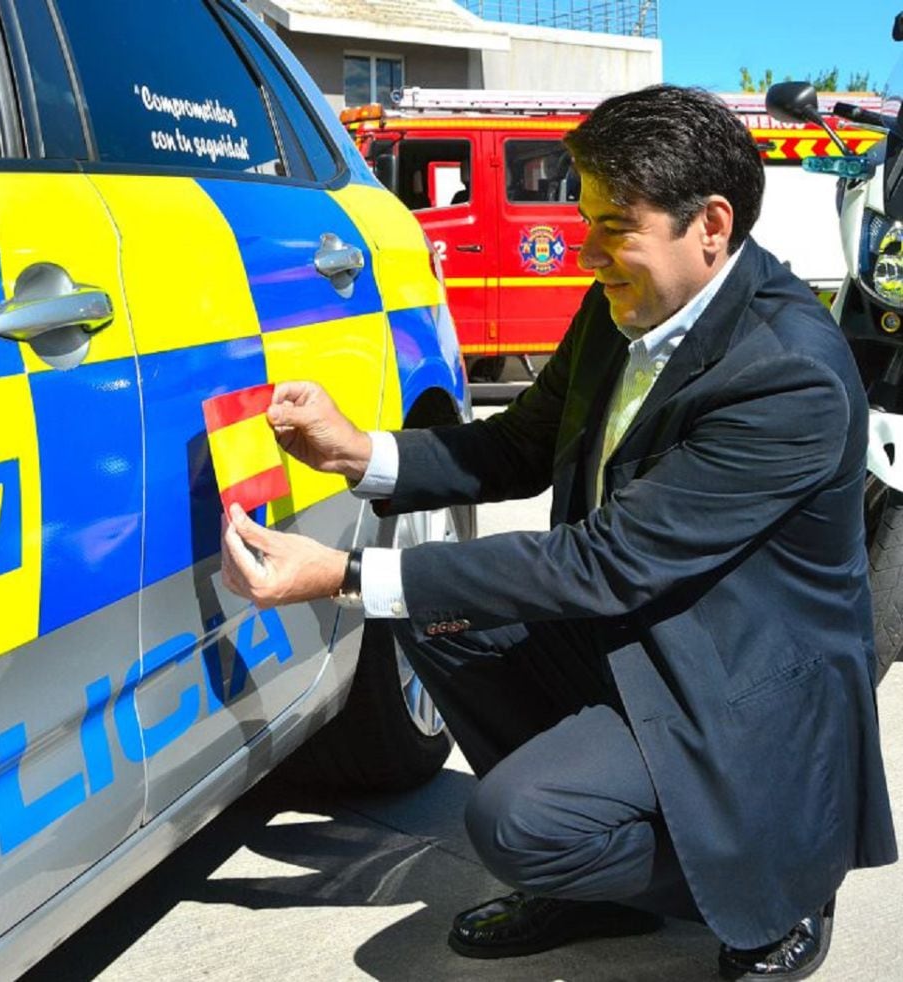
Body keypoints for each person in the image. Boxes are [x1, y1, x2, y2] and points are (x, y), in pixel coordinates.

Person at [220, 85, 897, 979]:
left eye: (615, 226)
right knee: (442, 614)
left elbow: (608, 561)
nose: (587, 251)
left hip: (738, 682)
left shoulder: (787, 376)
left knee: (515, 825)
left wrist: (344, 575)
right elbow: (521, 444)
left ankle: (778, 877)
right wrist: (362, 453)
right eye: (586, 221)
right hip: (633, 630)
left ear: (712, 226)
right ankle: (595, 877)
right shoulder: (628, 303)